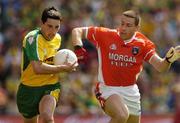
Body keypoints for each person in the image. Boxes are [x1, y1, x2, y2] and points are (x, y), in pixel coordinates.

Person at [71, 10, 180, 123]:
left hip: (131, 91)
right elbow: (77, 31)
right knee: (122, 115)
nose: (123, 28)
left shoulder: (143, 44)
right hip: (108, 88)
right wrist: (78, 47)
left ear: (137, 28)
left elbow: (160, 67)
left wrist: (168, 60)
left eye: (128, 25)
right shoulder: (105, 34)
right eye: (122, 23)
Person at [16, 6, 77, 123]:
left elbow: (55, 60)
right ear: (42, 23)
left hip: (50, 85)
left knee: (47, 117)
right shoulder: (32, 39)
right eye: (50, 26)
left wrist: (68, 64)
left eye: (57, 27)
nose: (53, 31)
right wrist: (63, 68)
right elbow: (37, 68)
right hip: (28, 89)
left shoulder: (58, 38)